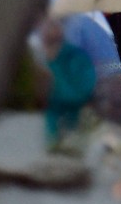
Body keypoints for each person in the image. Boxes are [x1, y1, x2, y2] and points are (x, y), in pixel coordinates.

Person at [38, 18, 96, 149]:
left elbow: (81, 89)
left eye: (52, 26)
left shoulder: (74, 56)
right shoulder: (44, 58)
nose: (45, 31)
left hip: (72, 115)